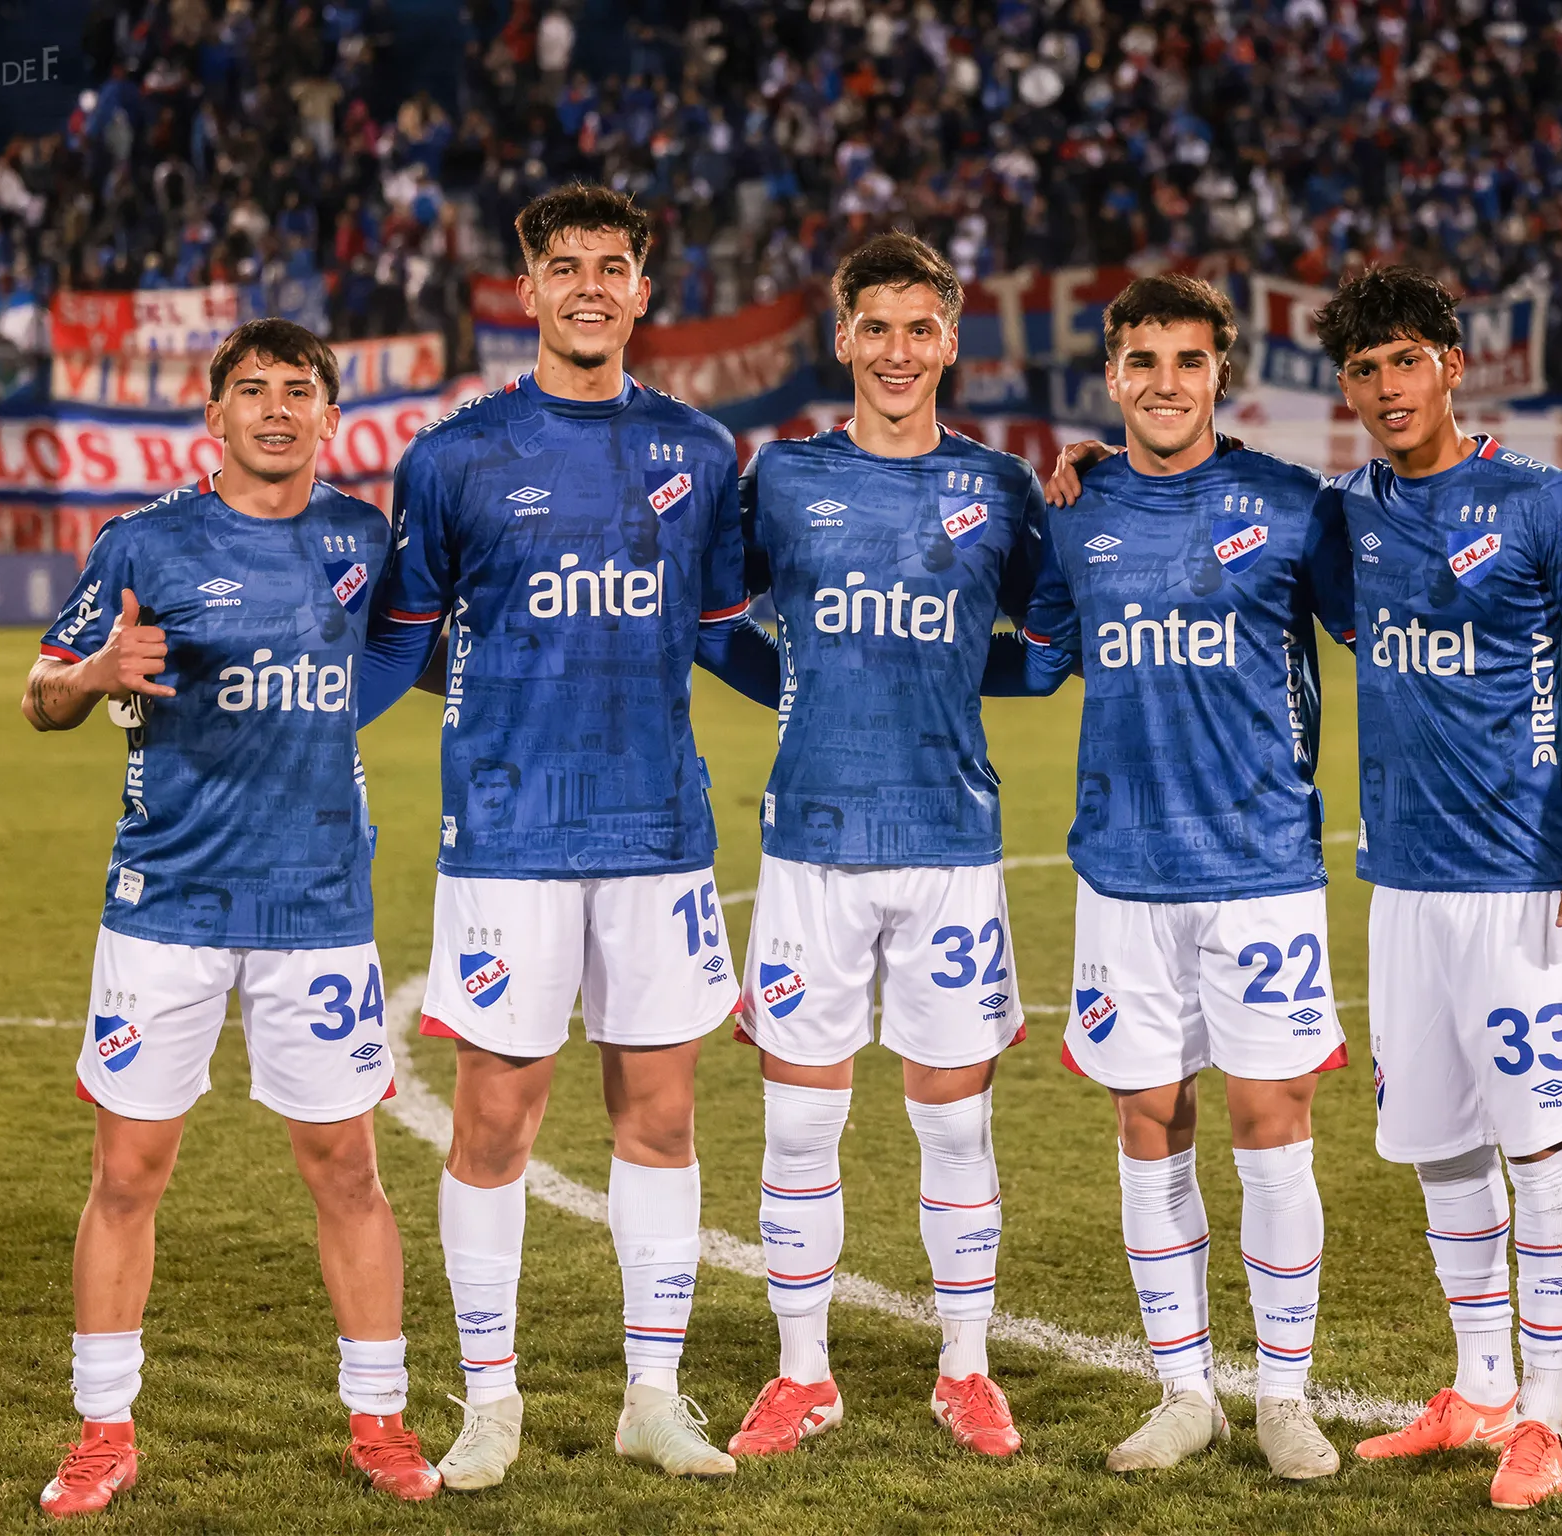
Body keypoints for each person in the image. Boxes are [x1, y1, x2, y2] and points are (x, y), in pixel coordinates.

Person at [356, 183, 771, 1485]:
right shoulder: (454, 457)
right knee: (496, 1122)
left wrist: (833, 691)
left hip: (658, 834)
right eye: (566, 265)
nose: (589, 285)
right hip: (508, 837)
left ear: (642, 291)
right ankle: (492, 1403)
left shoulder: (700, 450)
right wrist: (288, 708)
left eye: (612, 265)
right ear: (527, 288)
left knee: (661, 1119)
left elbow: (721, 635)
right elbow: (398, 646)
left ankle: (653, 1395)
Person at [22, 319, 439, 1516]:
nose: (275, 409)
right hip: (166, 907)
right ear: (214, 417)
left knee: (347, 1168)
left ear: (329, 418)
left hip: (319, 908)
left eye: (298, 391)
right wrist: (91, 676)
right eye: (251, 390)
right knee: (127, 1172)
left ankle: (380, 1420)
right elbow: (41, 692)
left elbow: (419, 650)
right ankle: (103, 1432)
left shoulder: (365, 540)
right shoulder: (143, 541)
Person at [1315, 267, 1562, 1510]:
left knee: (1542, 1142)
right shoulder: (1346, 517)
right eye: (1363, 371)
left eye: (1406, 360)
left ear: (1452, 364)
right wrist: (1094, 468)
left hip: (1524, 885)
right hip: (1401, 883)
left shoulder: (1539, 502)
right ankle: (1479, 1386)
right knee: (1443, 1147)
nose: (1387, 388)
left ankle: (1544, 1417)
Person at [720, 233, 1045, 1461]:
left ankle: (966, 1370)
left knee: (955, 1128)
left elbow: (1051, 647)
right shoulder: (784, 477)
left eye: (921, 329)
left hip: (949, 843)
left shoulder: (1000, 488)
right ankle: (802, 1376)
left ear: (950, 342)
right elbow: (713, 621)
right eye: (877, 328)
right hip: (811, 842)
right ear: (842, 339)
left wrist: (951, 678)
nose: (898, 351)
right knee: (800, 1128)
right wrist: (803, 684)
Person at [1026, 275, 1354, 1479]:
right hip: (1123, 869)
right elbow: (1043, 658)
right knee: (1149, 1125)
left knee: (1273, 1128)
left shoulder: (1292, 505)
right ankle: (1183, 1392)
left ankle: (1284, 1397)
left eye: (1189, 360)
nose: (1166, 382)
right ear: (1112, 375)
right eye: (1144, 361)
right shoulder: (1075, 511)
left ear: (1222, 373)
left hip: (1262, 865)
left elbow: (1381, 631)